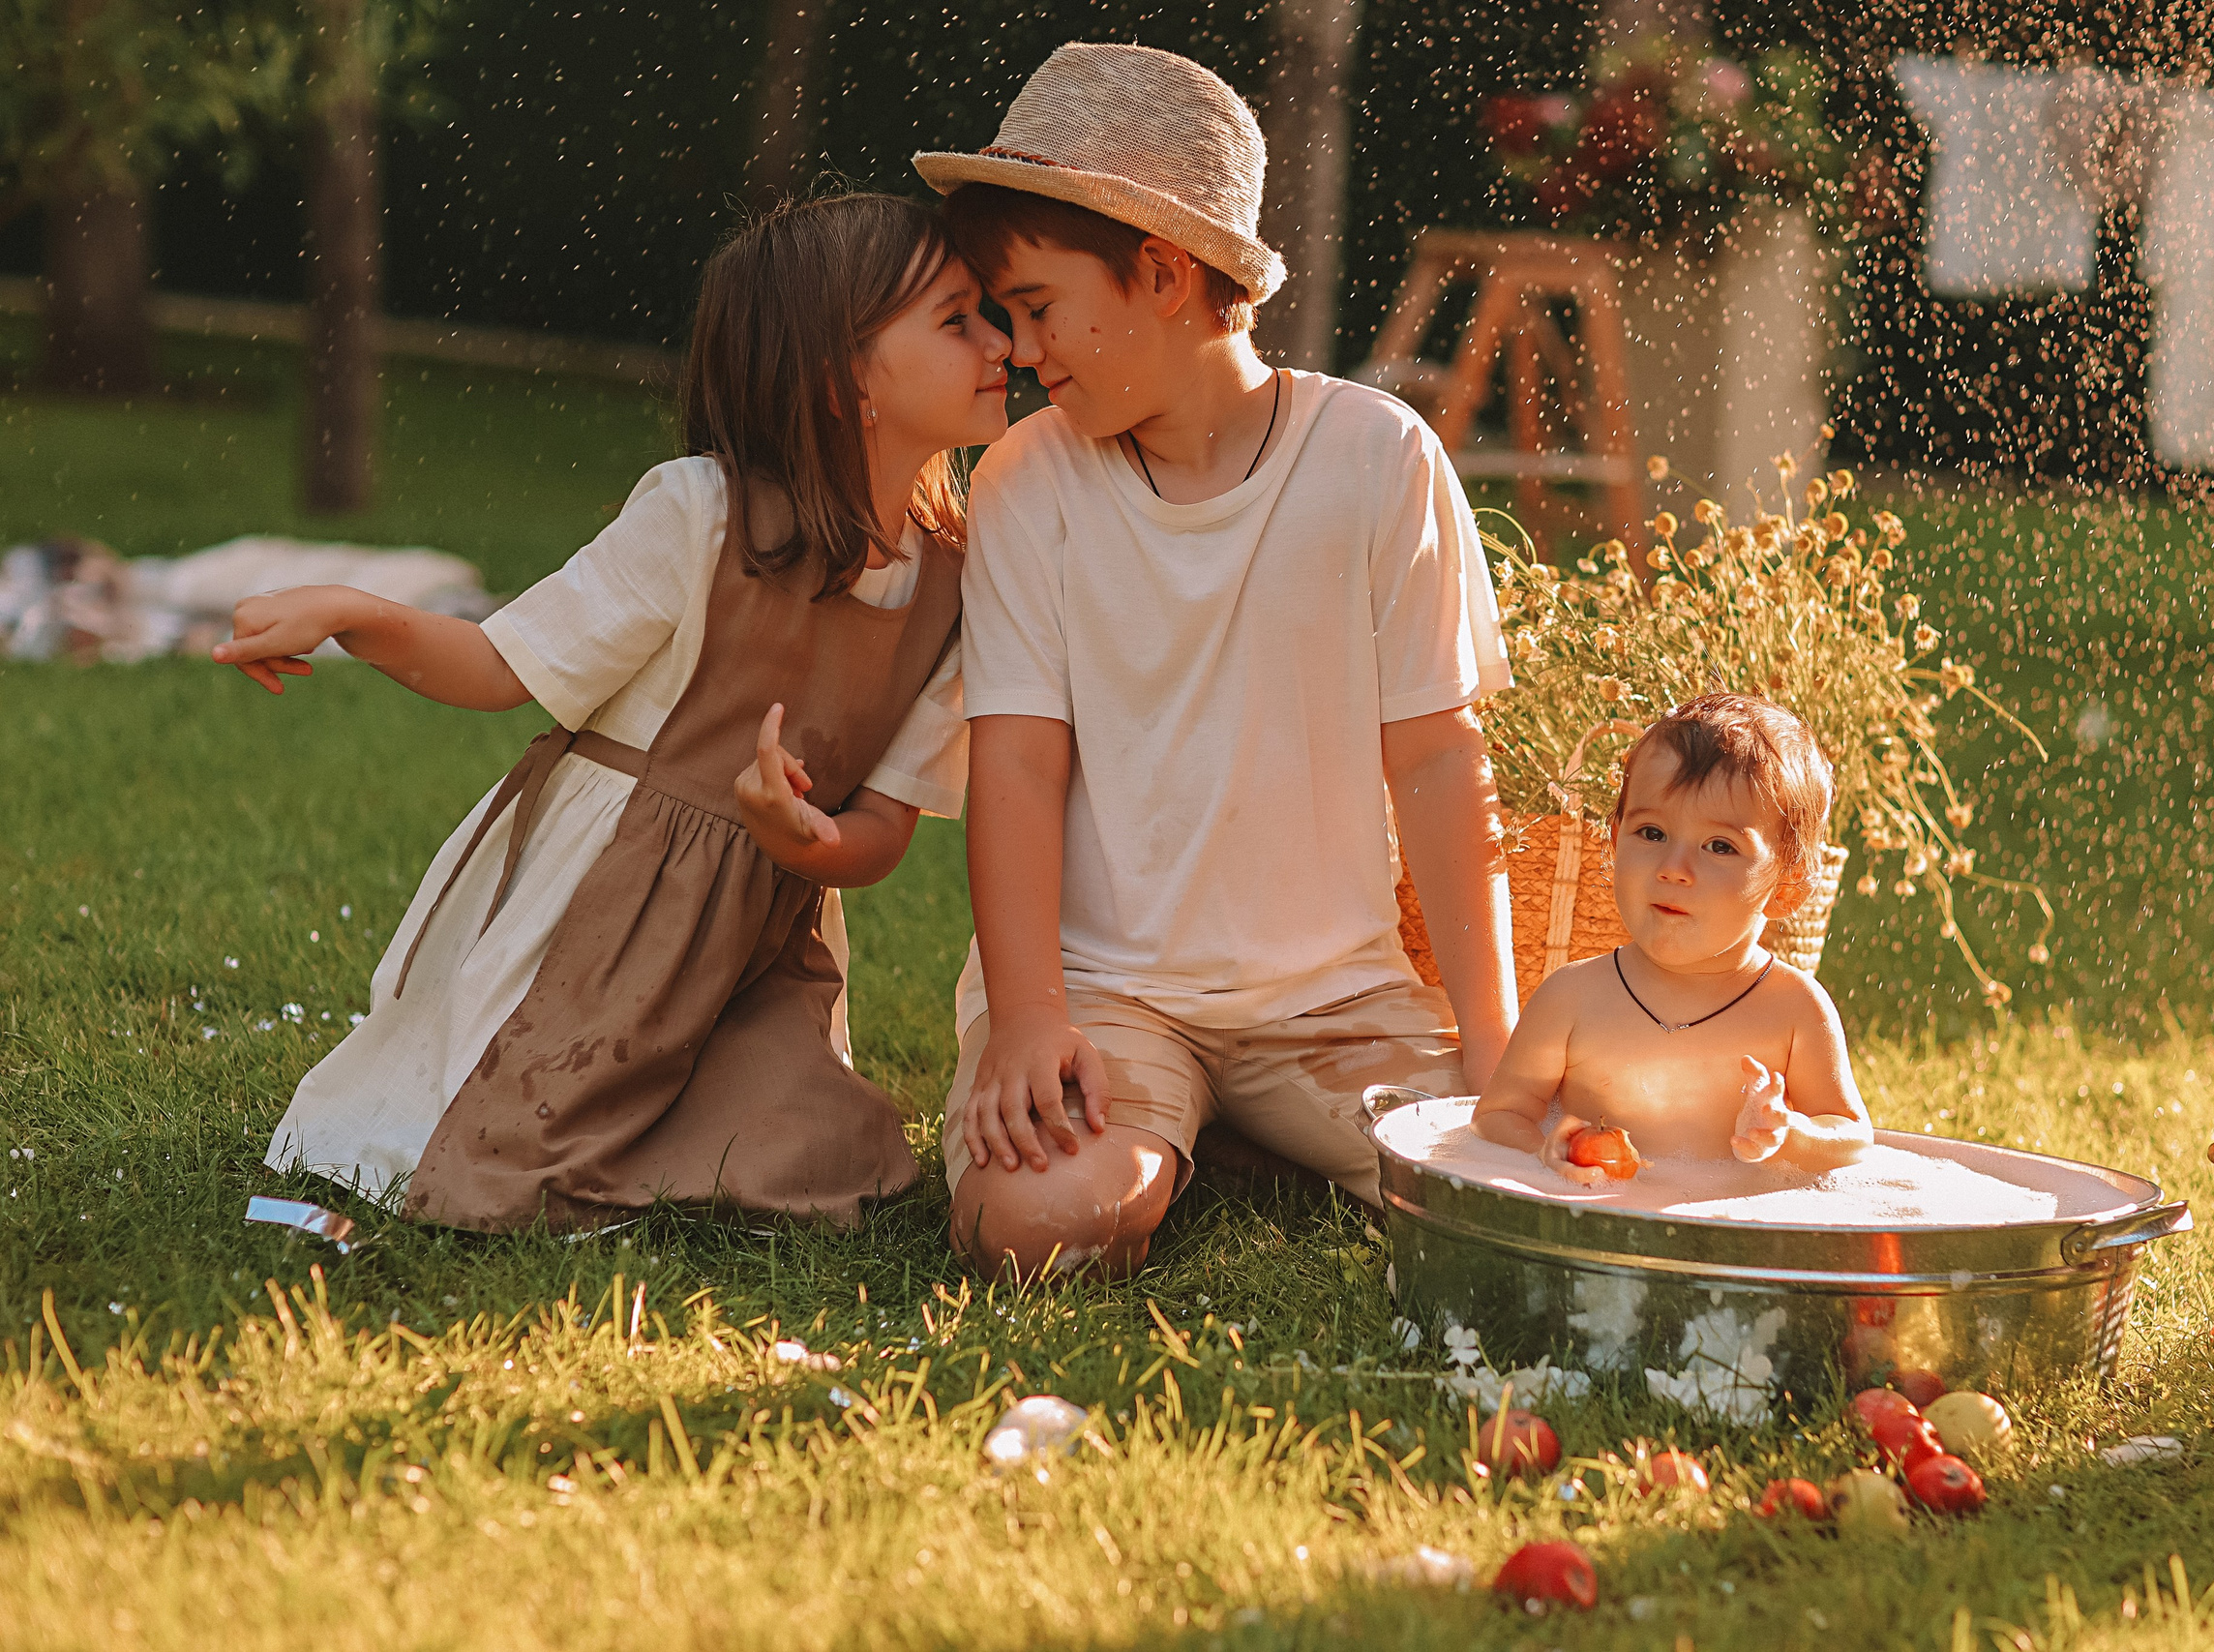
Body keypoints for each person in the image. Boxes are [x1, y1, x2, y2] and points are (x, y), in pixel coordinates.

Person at [224, 195, 1012, 1231]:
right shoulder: (700, 516)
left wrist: (802, 836)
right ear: (844, 379)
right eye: (957, 319)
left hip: (756, 958)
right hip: (601, 925)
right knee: (510, 1169)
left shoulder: (957, 585)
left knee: (841, 1164)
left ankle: (688, 1120)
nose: (1003, 341)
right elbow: (499, 666)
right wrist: (349, 613)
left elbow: (879, 837)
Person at [912, 43, 1518, 1279]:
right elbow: (1018, 773)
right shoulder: (1032, 488)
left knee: (1517, 1201)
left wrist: (1497, 1053)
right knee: (1027, 1224)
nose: (1019, 352)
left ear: (1164, 271)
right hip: (1104, 997)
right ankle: (1182, 1128)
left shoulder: (1376, 460)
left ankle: (1233, 1131)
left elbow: (1442, 764)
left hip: (1336, 1010)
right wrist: (1029, 1020)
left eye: (1033, 306)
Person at [1473, 695, 1872, 1180]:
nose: (1674, 869)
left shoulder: (1794, 1010)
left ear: (1785, 889)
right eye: (1653, 833)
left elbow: (1851, 1137)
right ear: (1616, 841)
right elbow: (1497, 1115)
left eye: (1719, 846)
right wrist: (1547, 1150)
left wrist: (1791, 1133)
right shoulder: (1572, 998)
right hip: (1593, 1219)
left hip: (1725, 1233)